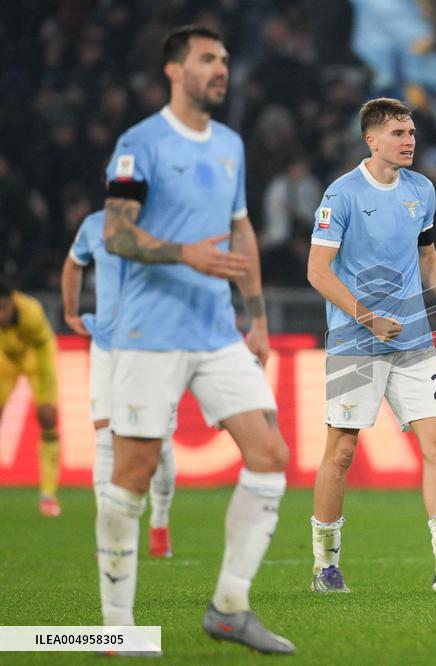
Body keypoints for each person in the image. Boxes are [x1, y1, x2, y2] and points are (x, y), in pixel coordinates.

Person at [96, 25, 293, 653]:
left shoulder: (231, 145)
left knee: (270, 456)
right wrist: (183, 253)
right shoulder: (139, 144)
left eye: (226, 60)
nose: (221, 69)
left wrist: (257, 318)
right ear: (174, 72)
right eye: (208, 59)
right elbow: (116, 232)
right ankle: (116, 631)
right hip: (149, 332)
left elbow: (241, 234)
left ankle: (230, 607)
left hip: (216, 332)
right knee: (134, 470)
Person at [306, 97, 436, 593]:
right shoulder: (342, 194)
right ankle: (325, 565)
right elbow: (317, 271)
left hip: (415, 340)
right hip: (356, 342)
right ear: (371, 140)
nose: (409, 140)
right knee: (342, 450)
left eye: (411, 131)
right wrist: (367, 317)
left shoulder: (422, 190)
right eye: (397, 133)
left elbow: (428, 257)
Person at [61, 207, 176, 557]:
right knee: (104, 438)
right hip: (107, 346)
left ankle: (159, 520)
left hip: (154, 347)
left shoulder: (166, 222)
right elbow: (73, 263)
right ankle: (108, 534)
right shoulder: (94, 225)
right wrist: (70, 311)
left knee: (160, 444)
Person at [0, 280, 62, 517]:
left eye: (3, 308)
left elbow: (44, 349)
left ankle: (48, 495)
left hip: (36, 358)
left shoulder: (31, 311)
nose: (1, 315)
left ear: (12, 301)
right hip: (5, 359)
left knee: (47, 418)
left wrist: (46, 395)